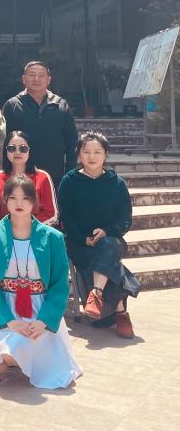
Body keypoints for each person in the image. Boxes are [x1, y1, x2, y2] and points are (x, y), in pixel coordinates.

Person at [0, 175, 82, 389]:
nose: (19, 203)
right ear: (5, 200)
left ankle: (22, 355)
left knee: (19, 352)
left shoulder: (53, 237)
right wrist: (8, 320)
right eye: (13, 198)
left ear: (34, 201)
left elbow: (59, 285)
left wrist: (44, 321)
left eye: (25, 198)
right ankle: (17, 356)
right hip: (3, 307)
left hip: (38, 308)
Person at [58, 132, 139, 339]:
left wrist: (106, 231)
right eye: (86, 152)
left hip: (111, 239)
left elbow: (125, 219)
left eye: (97, 152)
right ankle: (120, 311)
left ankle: (96, 294)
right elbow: (65, 218)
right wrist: (83, 238)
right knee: (100, 322)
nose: (91, 156)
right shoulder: (69, 181)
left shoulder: (116, 183)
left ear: (105, 154)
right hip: (80, 243)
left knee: (109, 245)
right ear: (79, 154)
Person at [2, 61, 78, 184]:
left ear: (48, 80)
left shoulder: (61, 105)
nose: (36, 79)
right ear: (24, 79)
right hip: (21, 176)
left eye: (41, 75)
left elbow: (71, 143)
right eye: (32, 75)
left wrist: (70, 173)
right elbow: (4, 142)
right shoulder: (12, 105)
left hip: (55, 175)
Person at [0, 131, 58, 224]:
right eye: (11, 148)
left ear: (30, 151)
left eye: (23, 148)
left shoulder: (43, 177)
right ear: (6, 151)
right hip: (4, 231)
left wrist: (26, 227)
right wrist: (6, 228)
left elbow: (51, 213)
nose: (17, 152)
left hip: (35, 231)